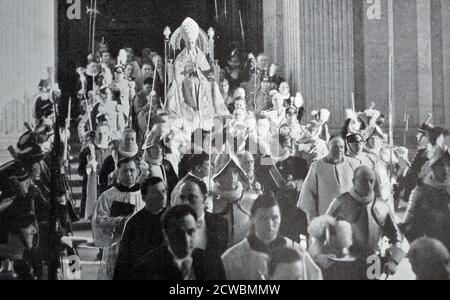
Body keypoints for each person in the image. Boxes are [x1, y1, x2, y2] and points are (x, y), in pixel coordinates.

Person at [309, 167, 405, 280]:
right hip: (345, 262)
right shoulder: (340, 202)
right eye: (363, 181)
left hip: (373, 260)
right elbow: (320, 232)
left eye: (371, 181)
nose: (368, 185)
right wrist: (319, 255)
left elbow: (396, 236)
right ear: (353, 181)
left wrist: (393, 261)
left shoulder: (381, 206)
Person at [221, 194, 322, 280]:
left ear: (280, 218)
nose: (270, 224)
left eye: (274, 218)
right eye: (263, 218)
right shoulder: (233, 258)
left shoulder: (297, 252)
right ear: (252, 218)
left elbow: (315, 276)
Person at [164, 17, 230, 131]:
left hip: (201, 79)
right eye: (188, 42)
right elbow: (178, 75)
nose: (191, 44)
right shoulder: (181, 57)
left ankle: (207, 118)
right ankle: (192, 117)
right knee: (191, 84)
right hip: (186, 82)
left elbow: (206, 69)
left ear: (196, 41)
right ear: (184, 42)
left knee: (211, 85)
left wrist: (200, 71)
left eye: (193, 42)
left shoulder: (200, 54)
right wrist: (189, 71)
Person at [131, 205, 226, 280]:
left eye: (190, 232)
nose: (186, 240)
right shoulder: (146, 268)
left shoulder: (213, 262)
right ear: (166, 234)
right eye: (178, 234)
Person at [92, 158, 145, 280]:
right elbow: (99, 220)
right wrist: (120, 222)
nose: (129, 174)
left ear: (137, 172)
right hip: (116, 245)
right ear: (118, 173)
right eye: (125, 170)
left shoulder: (144, 194)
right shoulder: (108, 195)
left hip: (139, 245)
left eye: (132, 170)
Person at [114, 177, 168, 280]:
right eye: (155, 193)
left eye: (164, 191)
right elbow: (123, 261)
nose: (162, 196)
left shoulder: (173, 219)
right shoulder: (134, 223)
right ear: (144, 197)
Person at [298, 135, 360, 224]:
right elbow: (307, 194)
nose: (339, 150)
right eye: (335, 147)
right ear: (327, 146)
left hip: (351, 218)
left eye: (341, 147)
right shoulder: (316, 166)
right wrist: (313, 219)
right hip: (326, 218)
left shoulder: (354, 164)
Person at [402, 145, 450, 251]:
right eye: (441, 165)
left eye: (448, 165)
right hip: (432, 253)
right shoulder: (420, 192)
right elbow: (407, 228)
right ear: (433, 167)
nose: (446, 169)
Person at [173, 176, 228, 257]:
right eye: (182, 198)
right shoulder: (171, 225)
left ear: (204, 199)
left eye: (192, 198)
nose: (185, 203)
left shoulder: (219, 224)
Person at [211, 154, 259, 248]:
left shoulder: (252, 199)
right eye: (226, 173)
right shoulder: (209, 201)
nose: (232, 177)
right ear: (219, 176)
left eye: (235, 172)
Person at [78, 124, 112, 218]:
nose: (102, 136)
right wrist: (88, 167)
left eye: (105, 133)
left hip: (106, 186)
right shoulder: (87, 150)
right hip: (91, 186)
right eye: (99, 133)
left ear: (108, 134)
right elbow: (80, 171)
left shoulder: (112, 151)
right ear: (95, 134)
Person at [99, 129, 139, 193]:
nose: (130, 142)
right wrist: (112, 176)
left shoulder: (140, 158)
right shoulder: (111, 159)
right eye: (127, 139)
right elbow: (102, 179)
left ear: (136, 140)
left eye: (132, 139)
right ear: (122, 140)